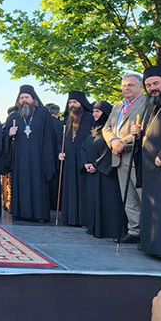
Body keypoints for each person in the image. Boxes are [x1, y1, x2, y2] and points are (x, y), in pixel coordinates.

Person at [132, 66, 161, 264]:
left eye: (155, 83)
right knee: (153, 207)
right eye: (148, 85)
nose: (152, 88)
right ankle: (152, 245)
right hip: (151, 165)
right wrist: (138, 133)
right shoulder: (151, 106)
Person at [103, 73, 146, 243]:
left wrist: (122, 143)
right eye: (124, 85)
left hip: (136, 156)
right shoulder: (117, 106)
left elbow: (142, 129)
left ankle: (148, 232)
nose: (126, 88)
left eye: (130, 85)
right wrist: (113, 142)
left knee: (142, 195)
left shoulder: (146, 104)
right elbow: (107, 128)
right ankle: (134, 231)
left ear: (140, 86)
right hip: (119, 156)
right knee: (128, 197)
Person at [4, 85, 55, 222]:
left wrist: (48, 158)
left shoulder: (43, 114)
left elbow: (49, 136)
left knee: (38, 185)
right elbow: (4, 136)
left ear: (33, 99)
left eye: (27, 97)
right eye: (21, 98)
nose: (24, 100)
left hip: (38, 158)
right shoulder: (14, 116)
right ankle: (21, 213)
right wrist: (9, 134)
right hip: (20, 159)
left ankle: (39, 215)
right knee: (22, 185)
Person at [83, 101, 125, 238]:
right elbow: (84, 147)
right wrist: (86, 163)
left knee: (109, 202)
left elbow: (109, 150)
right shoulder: (93, 129)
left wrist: (96, 165)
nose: (95, 114)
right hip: (93, 172)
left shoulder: (111, 130)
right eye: (94, 111)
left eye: (98, 111)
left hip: (106, 173)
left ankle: (110, 230)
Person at [59, 91, 94, 226]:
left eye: (75, 102)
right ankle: (70, 217)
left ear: (82, 103)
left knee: (82, 187)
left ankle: (83, 218)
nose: (72, 105)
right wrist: (60, 152)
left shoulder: (90, 117)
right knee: (70, 187)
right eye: (70, 102)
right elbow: (61, 140)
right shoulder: (67, 119)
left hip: (84, 157)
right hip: (69, 158)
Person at [46, 103, 64, 210]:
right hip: (56, 156)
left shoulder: (44, 123)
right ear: (58, 113)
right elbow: (59, 140)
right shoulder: (58, 124)